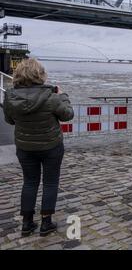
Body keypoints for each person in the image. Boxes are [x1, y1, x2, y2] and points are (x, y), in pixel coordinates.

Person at [3, 58, 74, 237]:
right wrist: (63, 96)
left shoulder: (10, 97)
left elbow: (10, 120)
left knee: (29, 182)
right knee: (50, 182)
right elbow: (68, 115)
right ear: (40, 75)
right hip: (51, 146)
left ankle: (27, 223)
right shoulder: (51, 96)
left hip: (25, 148)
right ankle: (46, 223)